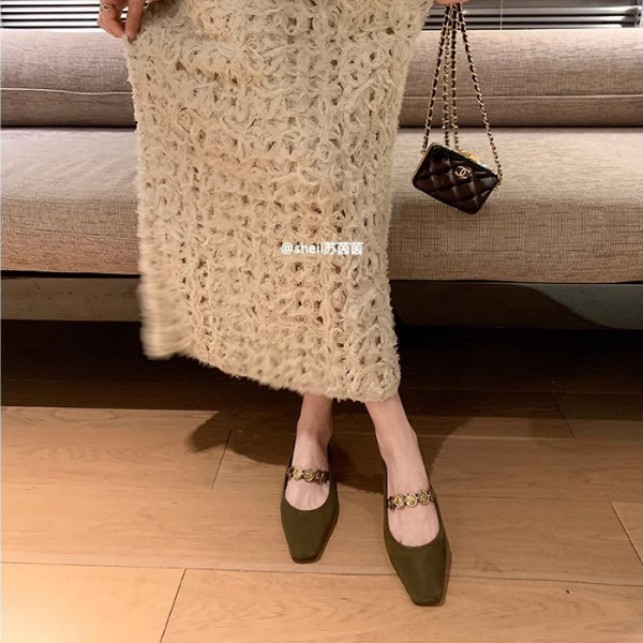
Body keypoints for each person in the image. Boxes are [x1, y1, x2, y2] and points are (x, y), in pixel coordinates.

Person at [98, 0, 470, 606]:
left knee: (331, 208)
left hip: (344, 20)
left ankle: (335, 426)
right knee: (299, 220)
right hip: (233, 21)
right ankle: (357, 428)